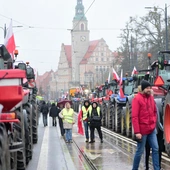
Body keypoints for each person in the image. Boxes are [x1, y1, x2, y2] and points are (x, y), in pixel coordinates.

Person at [132, 80, 159, 170]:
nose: (149, 89)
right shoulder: (137, 99)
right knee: (139, 151)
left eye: (150, 88)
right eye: (147, 88)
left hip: (151, 129)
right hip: (142, 131)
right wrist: (137, 132)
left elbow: (155, 111)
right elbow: (135, 117)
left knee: (156, 149)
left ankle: (157, 168)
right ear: (143, 89)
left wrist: (154, 121)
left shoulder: (151, 98)